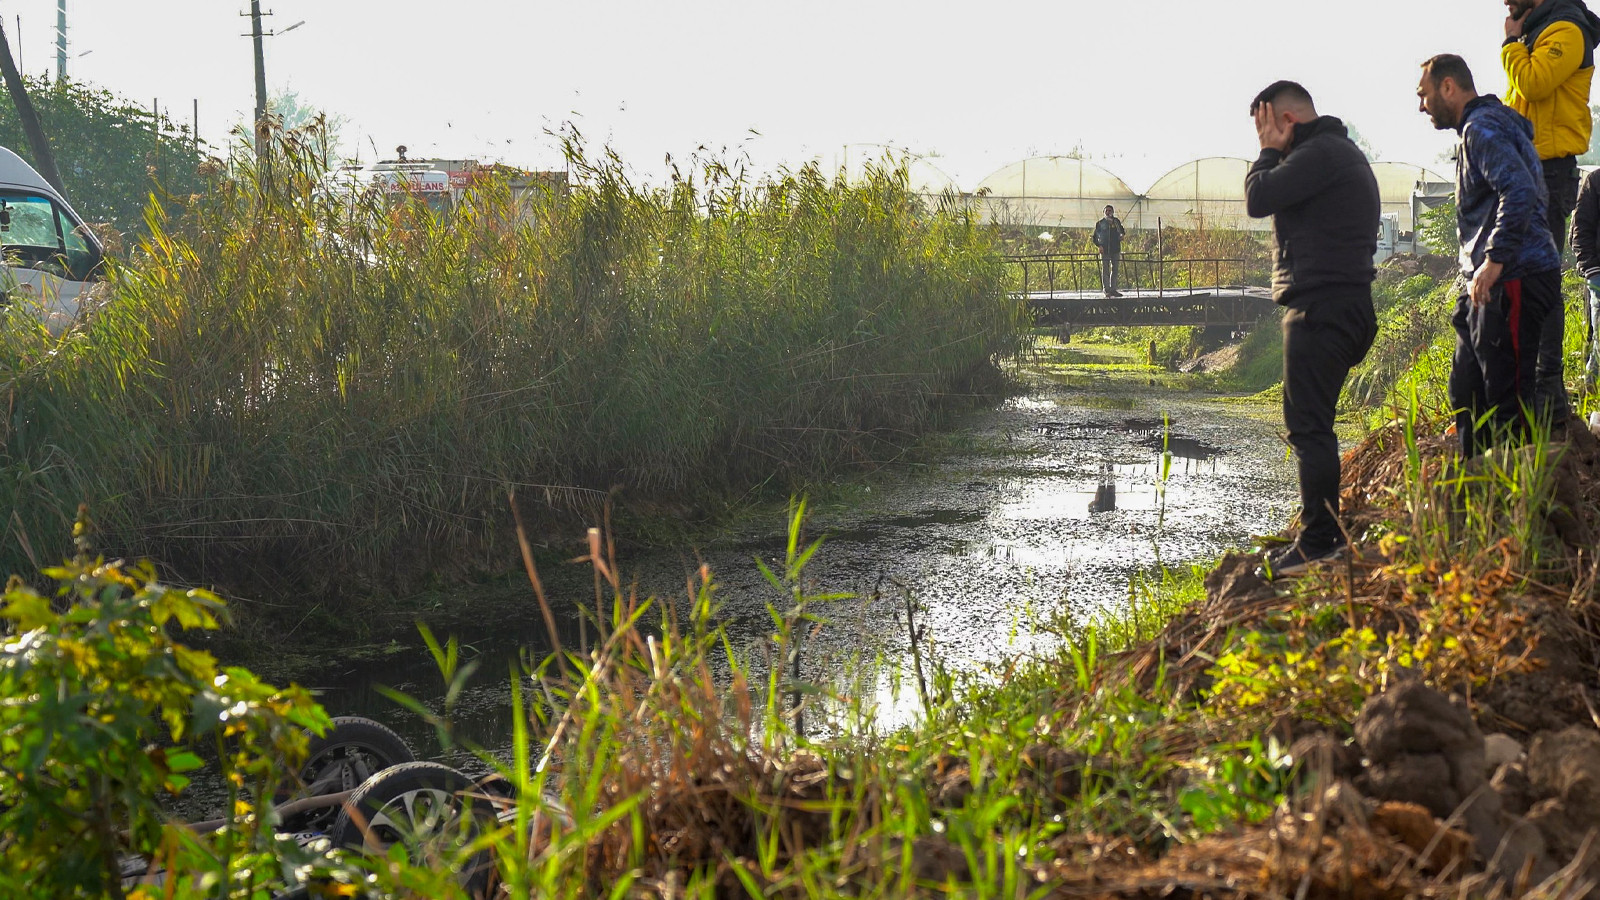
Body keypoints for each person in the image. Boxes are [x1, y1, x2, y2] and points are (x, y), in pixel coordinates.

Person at [1244, 80, 1380, 578]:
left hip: (1323, 306)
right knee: (1313, 426)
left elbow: (1259, 197)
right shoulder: (1332, 153)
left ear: (1286, 120)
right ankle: (1320, 533)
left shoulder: (1319, 153)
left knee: (1309, 428)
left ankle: (1320, 541)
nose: (1261, 136)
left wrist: (1265, 152)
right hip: (1338, 303)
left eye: (1264, 124)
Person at [1418, 54, 1563, 457]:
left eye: (1424, 94)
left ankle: (1520, 503)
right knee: (1466, 387)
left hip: (1515, 273)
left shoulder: (1481, 129)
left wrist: (1495, 259)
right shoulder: (1481, 128)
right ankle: (1474, 487)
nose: (1421, 105)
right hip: (1489, 281)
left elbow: (1518, 190)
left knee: (1507, 399)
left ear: (1449, 87)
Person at [1502, 0, 1600, 420]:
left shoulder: (1566, 29)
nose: (1505, 2)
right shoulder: (1538, 34)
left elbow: (1534, 83)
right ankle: (1533, 391)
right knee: (1527, 279)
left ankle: (1548, 391)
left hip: (1550, 170)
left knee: (1541, 280)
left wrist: (1508, 43)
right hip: (1529, 169)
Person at [1569, 165, 1600, 391]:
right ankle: (1591, 390)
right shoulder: (1595, 181)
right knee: (1599, 338)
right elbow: (1580, 229)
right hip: (1598, 273)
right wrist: (1592, 271)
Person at [1092, 205, 1125, 297]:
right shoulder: (1100, 223)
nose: (1108, 212)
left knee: (1115, 269)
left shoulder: (1116, 222)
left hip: (1115, 249)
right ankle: (1106, 290)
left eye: (1110, 210)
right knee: (1105, 270)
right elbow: (1095, 237)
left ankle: (1113, 289)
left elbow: (1121, 231)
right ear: (1104, 212)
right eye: (1106, 211)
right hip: (1105, 250)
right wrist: (1099, 246)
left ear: (1113, 212)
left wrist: (1121, 235)